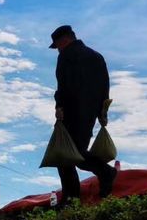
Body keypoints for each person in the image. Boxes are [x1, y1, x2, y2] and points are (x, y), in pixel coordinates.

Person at [49, 25, 117, 206]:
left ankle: (73, 198)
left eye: (57, 46)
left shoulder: (66, 56)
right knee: (75, 153)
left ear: (64, 40)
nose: (58, 50)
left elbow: (63, 85)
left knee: (66, 156)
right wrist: (103, 112)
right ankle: (74, 196)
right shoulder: (96, 56)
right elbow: (105, 87)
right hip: (90, 113)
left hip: (72, 110)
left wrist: (59, 107)